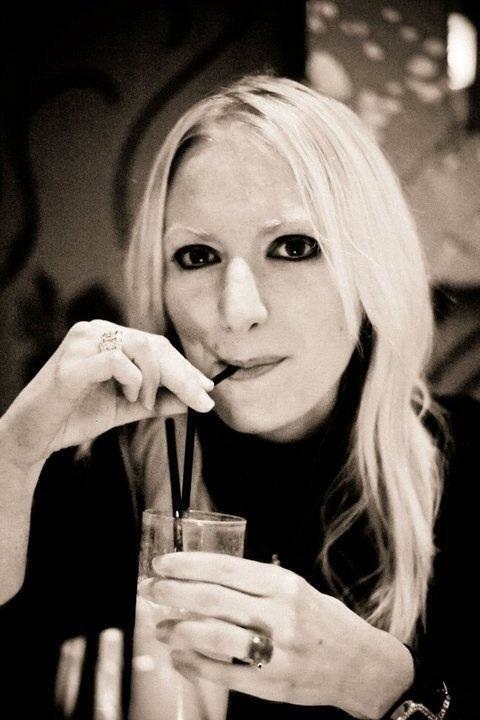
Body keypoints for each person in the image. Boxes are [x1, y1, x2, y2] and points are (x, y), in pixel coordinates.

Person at [0, 74, 478, 720]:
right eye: (198, 256)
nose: (237, 310)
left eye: (294, 247)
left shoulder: (464, 462)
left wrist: (378, 682)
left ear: (372, 270)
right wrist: (13, 454)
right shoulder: (100, 472)